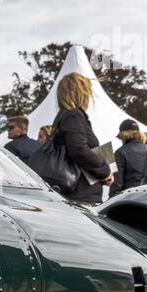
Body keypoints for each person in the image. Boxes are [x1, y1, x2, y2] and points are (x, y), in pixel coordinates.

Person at [50, 72, 112, 205]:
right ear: (81, 92)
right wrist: (105, 171)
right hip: (80, 194)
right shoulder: (73, 115)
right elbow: (78, 150)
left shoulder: (65, 115)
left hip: (76, 192)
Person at [111, 119, 147, 195]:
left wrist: (111, 201)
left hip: (129, 199)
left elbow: (117, 183)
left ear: (123, 135)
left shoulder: (120, 153)